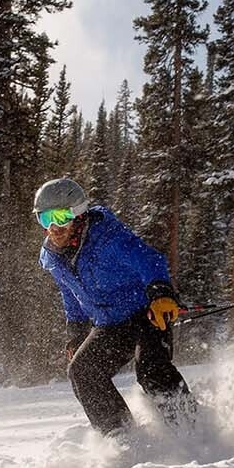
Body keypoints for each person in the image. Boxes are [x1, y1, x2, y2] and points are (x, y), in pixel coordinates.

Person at [34, 177, 199, 436]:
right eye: (45, 219)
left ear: (78, 214)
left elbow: (150, 260)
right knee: (82, 371)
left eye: (61, 217)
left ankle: (192, 429)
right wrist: (76, 331)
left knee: (150, 368)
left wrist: (161, 293)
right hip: (110, 325)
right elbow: (70, 294)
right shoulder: (53, 256)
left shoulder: (108, 238)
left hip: (146, 314)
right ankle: (122, 439)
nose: (54, 227)